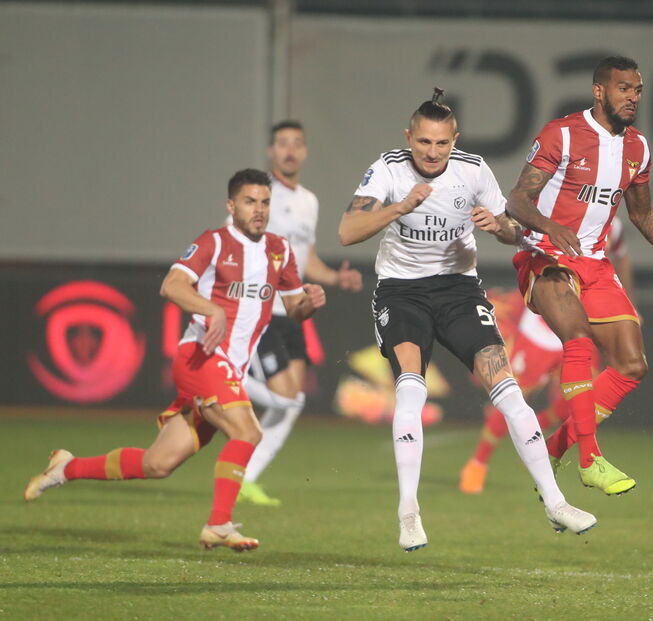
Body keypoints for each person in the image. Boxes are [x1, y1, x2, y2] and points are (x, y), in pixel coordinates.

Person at [339, 89, 597, 552]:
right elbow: (346, 232)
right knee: (411, 389)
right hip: (402, 292)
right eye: (423, 143)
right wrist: (399, 207)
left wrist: (499, 228)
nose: (432, 153)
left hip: (459, 289)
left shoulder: (473, 170)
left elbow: (513, 229)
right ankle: (409, 512)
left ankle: (556, 504)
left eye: (441, 144)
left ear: (454, 140)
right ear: (409, 137)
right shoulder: (388, 168)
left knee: (510, 392)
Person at [23, 169, 326, 551]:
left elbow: (295, 309)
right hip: (199, 357)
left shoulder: (279, 250)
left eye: (265, 202)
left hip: (229, 370)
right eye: (250, 202)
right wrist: (211, 309)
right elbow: (172, 285)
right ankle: (219, 524)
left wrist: (310, 304)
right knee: (248, 432)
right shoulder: (213, 242)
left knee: (158, 464)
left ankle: (67, 467)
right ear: (231, 206)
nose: (260, 210)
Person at [506, 55, 653, 495]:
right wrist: (550, 226)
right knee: (577, 337)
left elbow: (642, 215)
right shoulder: (563, 134)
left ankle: (553, 448)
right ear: (599, 91)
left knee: (631, 364)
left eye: (638, 90)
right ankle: (590, 459)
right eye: (624, 88)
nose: (633, 97)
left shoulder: (638, 148)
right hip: (546, 257)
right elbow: (517, 201)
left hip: (595, 264)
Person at [237, 120, 363, 508]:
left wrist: (335, 277)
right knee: (284, 398)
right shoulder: (257, 195)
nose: (290, 150)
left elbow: (305, 259)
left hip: (291, 311)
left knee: (292, 403)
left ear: (304, 152)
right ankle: (223, 382)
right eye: (282, 144)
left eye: (296, 144)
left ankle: (245, 478)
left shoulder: (309, 201)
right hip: (259, 309)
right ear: (271, 152)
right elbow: (235, 244)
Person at [459, 216, 633, 494]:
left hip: (583, 325)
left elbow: (621, 258)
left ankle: (539, 435)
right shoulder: (561, 209)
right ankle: (477, 464)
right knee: (512, 398)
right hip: (542, 330)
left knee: (579, 402)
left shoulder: (613, 223)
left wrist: (626, 301)